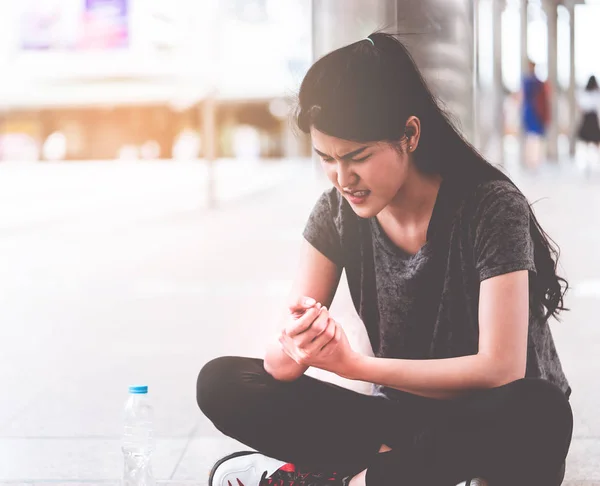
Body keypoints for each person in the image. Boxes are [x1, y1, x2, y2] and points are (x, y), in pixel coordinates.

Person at [198, 33, 573, 486]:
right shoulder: (335, 214)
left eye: (357, 157)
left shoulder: (490, 208)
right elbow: (280, 366)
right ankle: (391, 475)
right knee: (221, 382)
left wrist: (354, 366)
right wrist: (301, 342)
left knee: (542, 411)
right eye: (327, 159)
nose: (343, 178)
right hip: (401, 424)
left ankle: (351, 478)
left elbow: (500, 370)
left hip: (491, 423)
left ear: (409, 135)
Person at [522, 61, 550, 170]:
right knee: (534, 138)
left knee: (532, 138)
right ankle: (533, 160)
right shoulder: (537, 82)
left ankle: (532, 160)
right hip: (535, 112)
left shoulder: (528, 81)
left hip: (533, 111)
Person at [577, 75, 600, 174]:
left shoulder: (583, 94)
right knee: (596, 142)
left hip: (587, 120)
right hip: (593, 120)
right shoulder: (596, 93)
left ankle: (587, 163)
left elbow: (581, 107)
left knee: (586, 143)